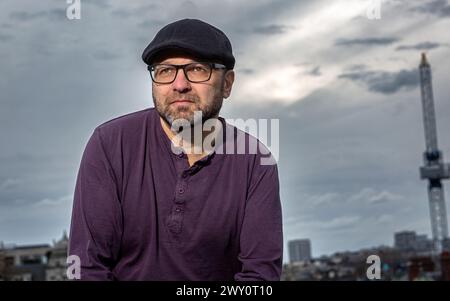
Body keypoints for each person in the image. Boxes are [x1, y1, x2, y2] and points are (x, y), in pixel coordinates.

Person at [68, 18, 283, 281]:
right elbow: (87, 268)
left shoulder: (255, 162)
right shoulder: (109, 144)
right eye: (165, 71)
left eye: (197, 69)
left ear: (227, 84)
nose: (179, 84)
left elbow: (259, 277)